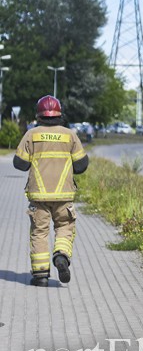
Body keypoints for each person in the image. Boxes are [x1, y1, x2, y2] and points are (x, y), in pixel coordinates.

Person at [13, 95, 89, 287]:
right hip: (64, 195)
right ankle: (61, 256)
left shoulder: (32, 134)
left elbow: (19, 164)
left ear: (39, 114)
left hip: (39, 196)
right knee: (64, 228)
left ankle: (40, 276)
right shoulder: (70, 135)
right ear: (59, 114)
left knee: (39, 233)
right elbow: (81, 165)